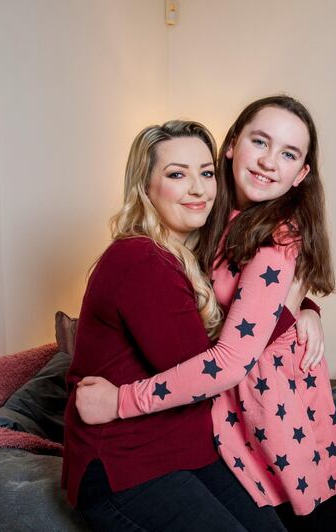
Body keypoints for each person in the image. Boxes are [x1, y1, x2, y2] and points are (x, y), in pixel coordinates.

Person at [76, 96, 336, 531]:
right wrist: (299, 311)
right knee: (291, 506)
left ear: (301, 174)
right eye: (260, 142)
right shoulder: (209, 219)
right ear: (233, 144)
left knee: (300, 503)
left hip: (261, 393)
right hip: (227, 400)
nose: (268, 162)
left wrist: (121, 400)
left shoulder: (277, 234)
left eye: (288, 154)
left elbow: (231, 352)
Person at [62, 119, 289, 531]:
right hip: (124, 466)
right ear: (145, 187)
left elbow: (244, 313)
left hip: (185, 451)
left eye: (205, 173)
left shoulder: (192, 255)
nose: (198, 189)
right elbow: (207, 370)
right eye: (176, 175)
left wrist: (305, 309)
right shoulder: (142, 260)